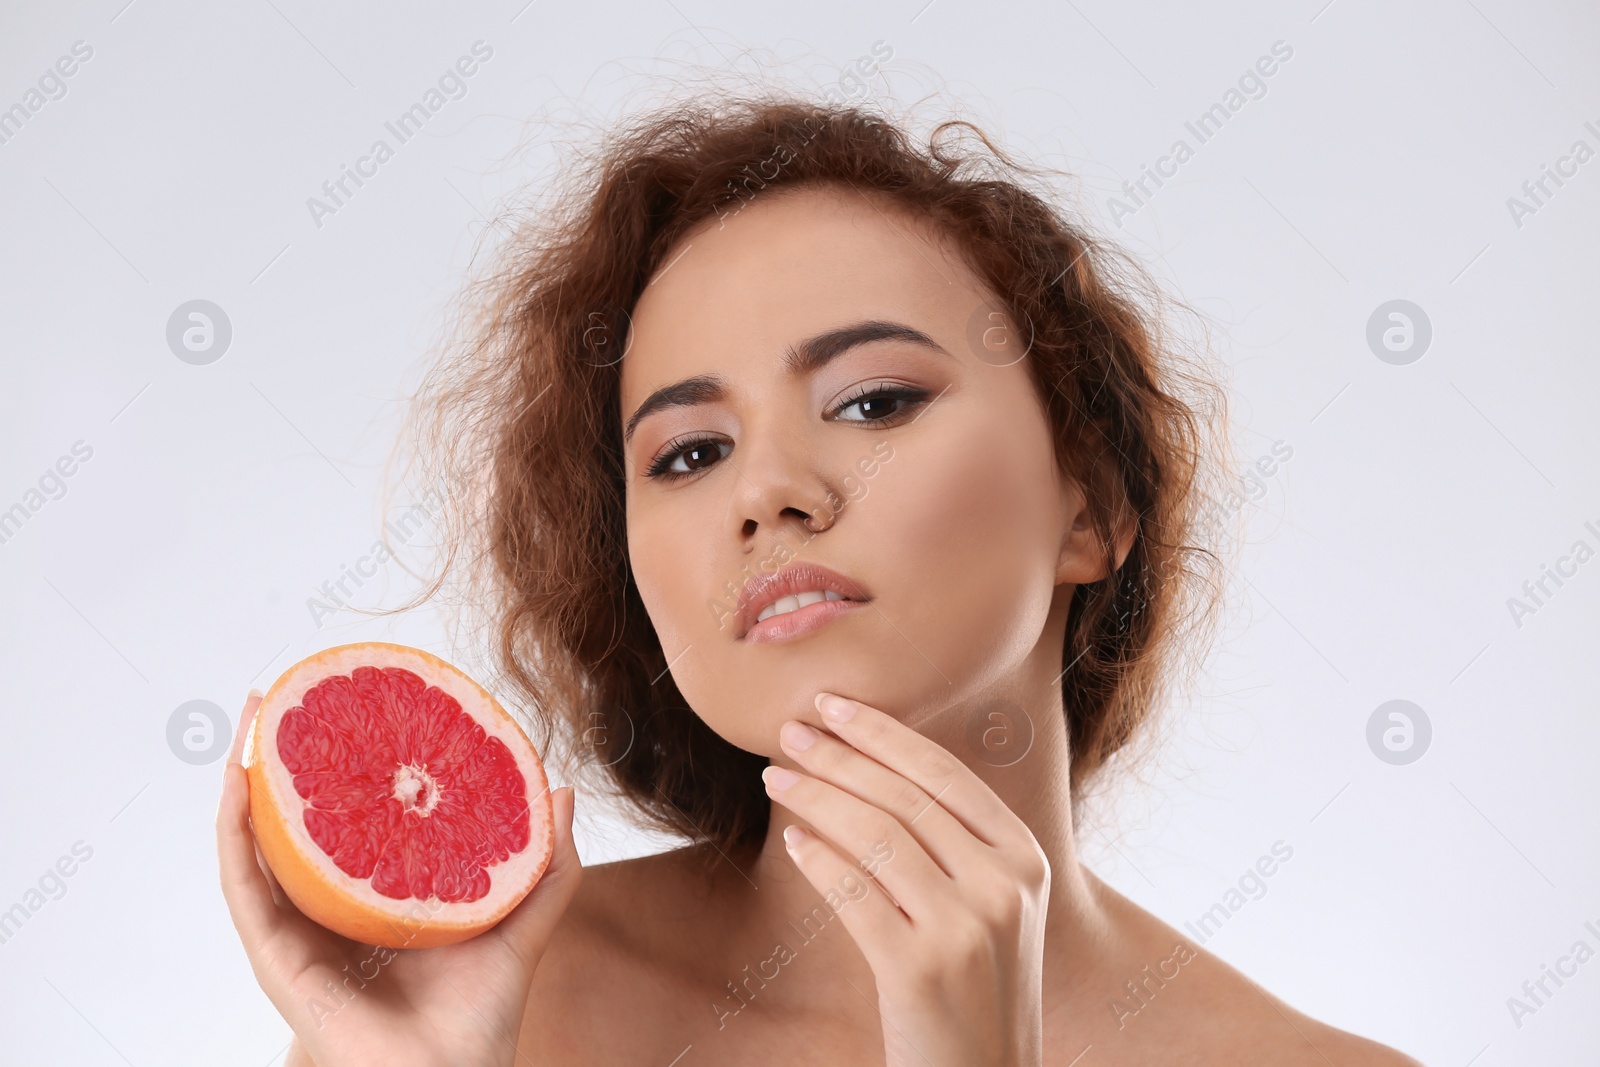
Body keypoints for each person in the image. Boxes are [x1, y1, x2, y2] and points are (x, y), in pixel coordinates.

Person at [218, 92, 1424, 1065]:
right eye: (688, 452)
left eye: (874, 400)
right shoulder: (511, 999)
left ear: (1093, 500)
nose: (767, 492)